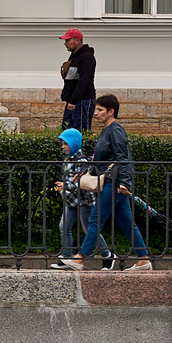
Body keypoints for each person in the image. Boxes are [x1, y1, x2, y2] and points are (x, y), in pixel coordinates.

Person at [79, 95, 152, 270]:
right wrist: (84, 171)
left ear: (111, 112)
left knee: (95, 219)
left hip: (115, 182)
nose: (95, 113)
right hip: (114, 181)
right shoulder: (107, 130)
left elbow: (123, 158)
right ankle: (143, 258)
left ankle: (79, 258)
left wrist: (125, 182)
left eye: (100, 110)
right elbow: (104, 159)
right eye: (96, 109)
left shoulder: (115, 130)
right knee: (127, 222)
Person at [53, 127, 97, 269]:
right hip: (72, 201)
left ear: (73, 143)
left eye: (66, 144)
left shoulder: (81, 160)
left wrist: (65, 186)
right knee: (64, 226)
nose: (63, 147)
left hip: (84, 201)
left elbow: (81, 183)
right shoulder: (69, 159)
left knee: (90, 230)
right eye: (63, 144)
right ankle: (66, 258)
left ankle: (107, 254)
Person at [61, 28, 98, 133]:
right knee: (67, 131)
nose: (65, 43)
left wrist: (73, 100)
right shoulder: (74, 57)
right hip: (73, 101)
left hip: (82, 101)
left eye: (68, 40)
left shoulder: (87, 57)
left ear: (77, 40)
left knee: (81, 132)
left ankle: (82, 150)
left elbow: (84, 81)